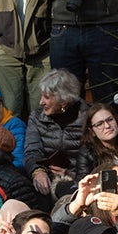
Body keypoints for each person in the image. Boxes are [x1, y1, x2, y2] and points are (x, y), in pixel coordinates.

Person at [23, 69, 88, 198]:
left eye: (46, 97)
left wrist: (70, 174)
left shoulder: (89, 117)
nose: (41, 102)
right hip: (47, 177)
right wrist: (37, 171)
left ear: (63, 100)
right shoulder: (36, 118)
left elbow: (94, 159)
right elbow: (31, 151)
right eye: (41, 96)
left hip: (79, 179)